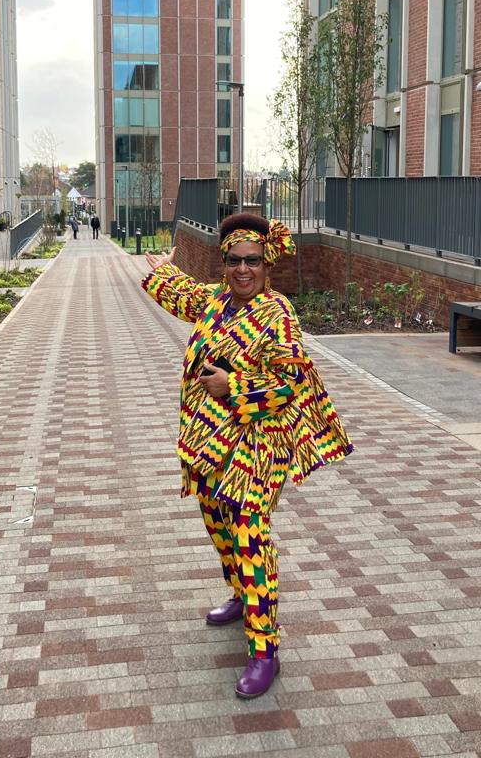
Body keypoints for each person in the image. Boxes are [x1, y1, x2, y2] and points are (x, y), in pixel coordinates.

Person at [142, 213, 353, 699]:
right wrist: (162, 272)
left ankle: (264, 651)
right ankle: (241, 595)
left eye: (252, 261)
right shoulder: (216, 301)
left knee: (249, 535)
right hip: (207, 441)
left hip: (259, 443)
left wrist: (232, 385)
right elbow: (183, 295)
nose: (242, 270)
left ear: (266, 263)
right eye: (234, 261)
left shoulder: (278, 314)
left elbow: (290, 382)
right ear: (225, 263)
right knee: (218, 524)